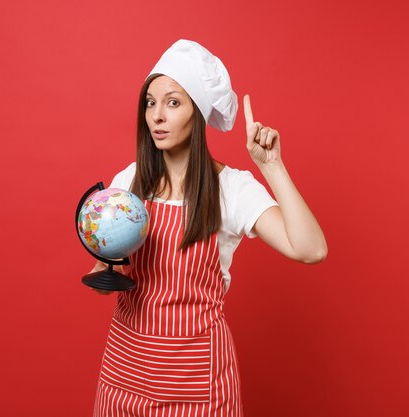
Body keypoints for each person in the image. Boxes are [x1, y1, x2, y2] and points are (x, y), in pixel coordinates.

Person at [89, 39, 327, 417]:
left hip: (198, 385)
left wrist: (272, 166)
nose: (156, 116)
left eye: (173, 102)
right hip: (125, 378)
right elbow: (107, 260)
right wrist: (105, 267)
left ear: (197, 112)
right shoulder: (130, 180)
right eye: (150, 102)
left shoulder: (231, 188)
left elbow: (310, 249)